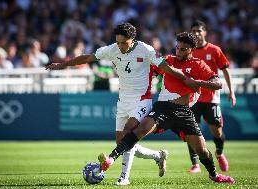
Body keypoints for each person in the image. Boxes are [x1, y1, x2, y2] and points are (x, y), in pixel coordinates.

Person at [45, 22, 193, 185]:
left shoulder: (146, 50)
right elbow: (87, 58)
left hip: (142, 100)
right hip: (123, 102)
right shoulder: (112, 49)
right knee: (123, 142)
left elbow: (167, 68)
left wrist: (188, 80)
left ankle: (124, 177)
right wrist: (62, 65)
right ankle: (158, 156)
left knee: (129, 131)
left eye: (124, 43)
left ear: (132, 39)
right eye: (118, 42)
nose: (121, 46)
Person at [98, 32, 235, 184]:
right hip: (163, 108)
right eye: (177, 47)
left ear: (192, 49)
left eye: (183, 49)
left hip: (183, 113)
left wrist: (196, 82)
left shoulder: (198, 65)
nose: (178, 51)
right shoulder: (168, 61)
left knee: (201, 150)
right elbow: (147, 71)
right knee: (141, 129)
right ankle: (111, 158)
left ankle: (214, 175)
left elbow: (218, 84)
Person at [187, 20, 236, 173]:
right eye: (193, 31)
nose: (196, 33)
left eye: (199, 31)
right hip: (193, 98)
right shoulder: (188, 50)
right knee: (190, 130)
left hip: (211, 97)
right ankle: (195, 164)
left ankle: (219, 153)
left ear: (205, 32)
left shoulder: (214, 50)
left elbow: (225, 70)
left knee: (217, 130)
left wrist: (231, 91)